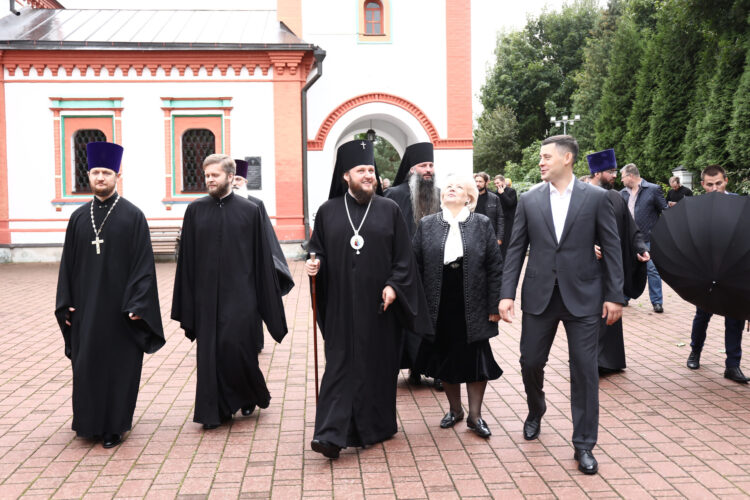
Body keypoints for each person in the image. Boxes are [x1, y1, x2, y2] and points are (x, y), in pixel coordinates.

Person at [499, 135, 624, 475]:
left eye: (545, 156)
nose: (540, 162)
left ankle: (584, 444)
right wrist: (506, 292)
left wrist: (615, 295)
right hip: (540, 296)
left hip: (584, 297)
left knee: (584, 371)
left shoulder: (597, 198)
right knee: (529, 362)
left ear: (567, 158)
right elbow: (515, 249)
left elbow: (612, 249)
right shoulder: (529, 199)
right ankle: (536, 409)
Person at [305, 139, 431, 459]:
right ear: (345, 175)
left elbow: (404, 258)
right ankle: (330, 434)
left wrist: (394, 285)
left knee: (377, 367)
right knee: (340, 366)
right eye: (361, 170)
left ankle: (376, 427)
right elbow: (316, 248)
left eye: (371, 170)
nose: (368, 176)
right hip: (341, 307)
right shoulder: (328, 211)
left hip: (380, 307)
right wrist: (314, 262)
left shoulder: (389, 209)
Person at [55, 141, 165, 449]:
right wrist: (67, 303)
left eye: (106, 172)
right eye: (95, 172)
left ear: (117, 175)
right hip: (87, 309)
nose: (100, 178)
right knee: (86, 364)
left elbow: (144, 265)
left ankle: (115, 427)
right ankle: (88, 423)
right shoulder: (78, 218)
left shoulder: (133, 216)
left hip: (120, 309)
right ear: (88, 175)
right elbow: (68, 265)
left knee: (120, 367)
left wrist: (139, 303)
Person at [172, 154, 288, 430]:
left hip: (242, 295)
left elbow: (262, 257)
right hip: (206, 297)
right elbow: (186, 260)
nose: (210, 179)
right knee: (210, 353)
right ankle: (217, 410)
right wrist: (187, 299)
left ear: (230, 177)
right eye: (207, 175)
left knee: (237, 349)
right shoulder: (195, 211)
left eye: (215, 175)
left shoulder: (250, 211)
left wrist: (264, 297)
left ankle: (249, 393)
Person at [413, 174, 503, 438]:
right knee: (446, 356)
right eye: (448, 187)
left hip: (473, 299)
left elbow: (495, 267)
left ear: (469, 197)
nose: (451, 189)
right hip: (438, 300)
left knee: (475, 358)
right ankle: (455, 410)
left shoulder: (482, 223)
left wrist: (494, 303)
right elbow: (415, 264)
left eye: (459, 187)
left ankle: (475, 417)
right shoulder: (427, 224)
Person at [587, 149, 650, 373]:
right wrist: (584, 246)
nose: (615, 175)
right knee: (591, 316)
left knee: (610, 313)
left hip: (611, 267)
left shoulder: (615, 197)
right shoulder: (580, 196)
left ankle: (610, 361)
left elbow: (631, 229)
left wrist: (640, 248)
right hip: (587, 269)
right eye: (610, 171)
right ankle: (592, 361)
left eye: (615, 171)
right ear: (597, 172)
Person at [384, 142, 441, 387]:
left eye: (430, 165)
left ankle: (438, 370)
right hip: (406, 269)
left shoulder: (440, 194)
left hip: (435, 269)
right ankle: (414, 368)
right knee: (407, 322)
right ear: (411, 169)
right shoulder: (394, 196)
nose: (427, 170)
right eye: (422, 166)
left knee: (437, 320)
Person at [686, 165, 748, 383]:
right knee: (702, 314)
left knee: (736, 317)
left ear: (726, 181)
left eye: (718, 183)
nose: (714, 188)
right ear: (703, 185)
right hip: (707, 270)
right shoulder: (695, 209)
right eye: (710, 184)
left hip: (735, 271)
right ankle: (695, 351)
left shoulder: (741, 205)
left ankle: (733, 366)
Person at [232, 158, 294, 353]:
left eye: (239, 179)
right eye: (232, 178)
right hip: (227, 263)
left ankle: (254, 342)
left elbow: (266, 233)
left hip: (250, 263)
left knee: (251, 303)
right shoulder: (217, 203)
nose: (235, 182)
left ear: (245, 182)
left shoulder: (256, 204)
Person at [620, 163, 668, 313]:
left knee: (652, 270)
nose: (621, 180)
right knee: (627, 268)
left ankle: (657, 302)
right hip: (629, 238)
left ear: (631, 176)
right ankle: (625, 297)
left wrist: (660, 233)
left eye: (623, 177)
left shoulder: (652, 189)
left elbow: (665, 211)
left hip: (648, 237)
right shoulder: (622, 193)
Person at [473, 172, 504, 245]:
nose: (477, 184)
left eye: (480, 181)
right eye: (476, 181)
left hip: (490, 234)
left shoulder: (494, 198)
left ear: (486, 183)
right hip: (474, 234)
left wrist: (499, 237)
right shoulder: (470, 198)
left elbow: (500, 218)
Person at [494, 174, 517, 261]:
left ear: (503, 182)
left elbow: (510, 203)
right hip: (499, 221)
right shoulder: (495, 194)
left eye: (498, 182)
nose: (496, 185)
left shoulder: (511, 191)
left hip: (509, 220)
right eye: (495, 183)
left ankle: (509, 260)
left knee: (508, 240)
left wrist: (503, 193)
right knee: (500, 241)